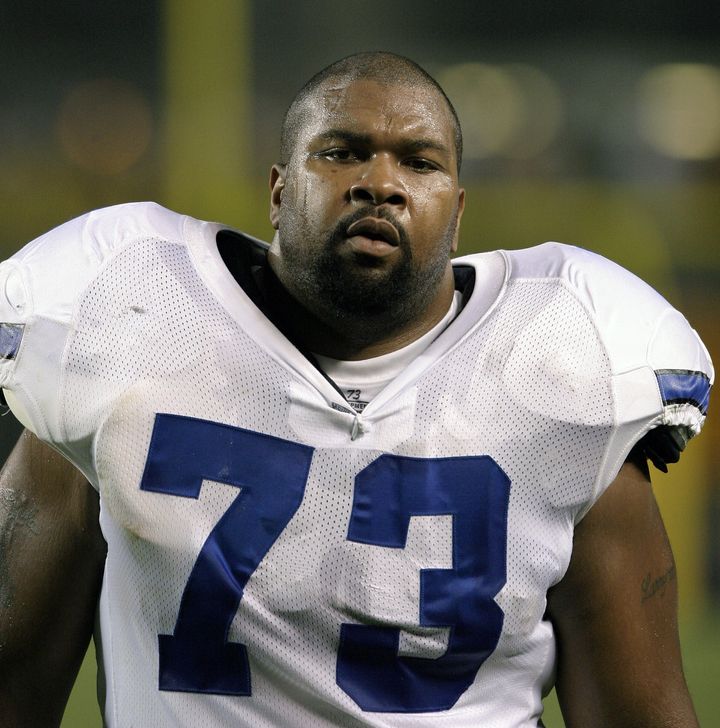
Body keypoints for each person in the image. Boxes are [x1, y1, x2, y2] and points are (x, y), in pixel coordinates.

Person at [0, 51, 712, 728]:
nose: (380, 181)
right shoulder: (124, 334)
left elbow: (637, 714)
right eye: (342, 151)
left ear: (457, 210)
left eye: (419, 161)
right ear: (278, 190)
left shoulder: (564, 375)